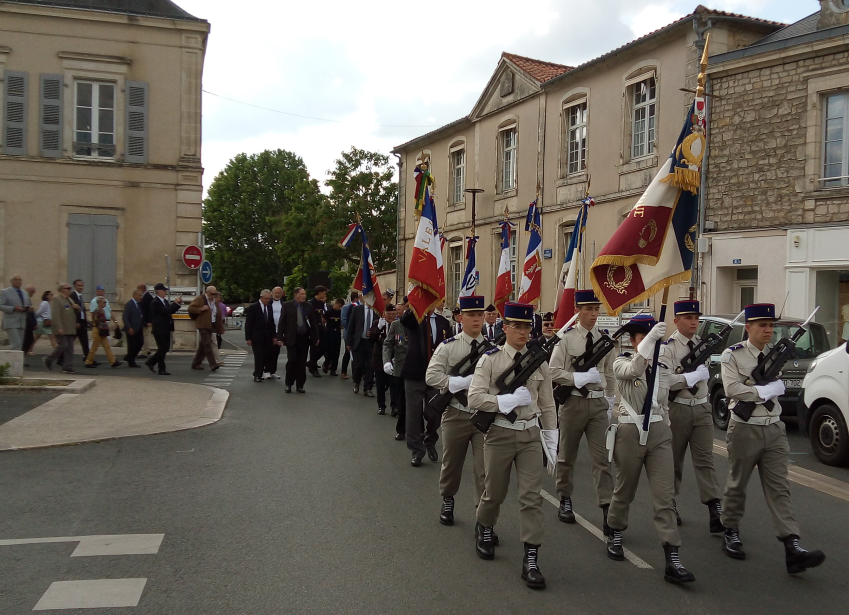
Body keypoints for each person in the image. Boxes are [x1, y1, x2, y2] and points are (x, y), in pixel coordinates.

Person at [719, 303, 825, 574]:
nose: (768, 330)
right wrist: (762, 392)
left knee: (779, 488)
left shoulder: (776, 353)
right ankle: (730, 529)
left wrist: (773, 390)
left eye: (771, 326)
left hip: (774, 428)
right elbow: (731, 389)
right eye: (763, 326)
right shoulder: (733, 355)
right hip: (745, 427)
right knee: (737, 484)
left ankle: (792, 546)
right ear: (749, 328)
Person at [468, 302, 557, 590]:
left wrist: (553, 437)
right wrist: (504, 402)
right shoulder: (490, 359)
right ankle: (485, 526)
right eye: (516, 326)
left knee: (532, 497)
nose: (522, 331)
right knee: (493, 492)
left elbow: (547, 403)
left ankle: (531, 557)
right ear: (504, 328)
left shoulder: (539, 361)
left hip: (530, 435)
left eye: (526, 326)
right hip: (500, 434)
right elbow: (474, 398)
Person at [606, 314, 694, 584]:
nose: (650, 342)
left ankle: (672, 557)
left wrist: (665, 423)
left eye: (652, 337)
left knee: (664, 497)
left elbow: (664, 400)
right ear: (633, 341)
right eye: (643, 337)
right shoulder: (621, 361)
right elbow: (631, 371)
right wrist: (647, 346)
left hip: (658, 432)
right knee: (625, 490)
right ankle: (616, 529)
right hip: (630, 431)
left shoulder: (663, 367)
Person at [548, 290, 615, 533]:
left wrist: (610, 400)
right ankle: (565, 497)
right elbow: (553, 371)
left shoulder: (604, 340)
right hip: (574, 402)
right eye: (589, 309)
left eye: (597, 309)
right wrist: (578, 377)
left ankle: (607, 507)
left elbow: (610, 372)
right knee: (566, 455)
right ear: (578, 310)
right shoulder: (566, 339)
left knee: (602, 460)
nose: (594, 314)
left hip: (598, 404)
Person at [426, 295, 488, 528]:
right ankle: (448, 499)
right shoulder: (448, 346)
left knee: (485, 469)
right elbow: (431, 375)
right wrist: (457, 383)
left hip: (484, 415)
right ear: (461, 318)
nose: (476, 319)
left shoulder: (492, 349)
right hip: (455, 413)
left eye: (479, 315)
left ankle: (483, 516)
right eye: (471, 315)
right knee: (452, 463)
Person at [659, 300, 722, 531]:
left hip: (702, 408)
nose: (693, 321)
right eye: (688, 317)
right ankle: (670, 503)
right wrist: (689, 378)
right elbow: (664, 381)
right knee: (673, 460)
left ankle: (715, 508)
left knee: (706, 460)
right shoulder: (668, 348)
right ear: (676, 321)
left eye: (696, 317)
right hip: (679, 409)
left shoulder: (702, 345)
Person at [399, 303, 451, 466]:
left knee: (434, 412)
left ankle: (430, 440)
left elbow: (448, 346)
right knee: (413, 414)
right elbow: (405, 321)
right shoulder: (414, 318)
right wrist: (415, 305)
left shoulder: (443, 321)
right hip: (415, 373)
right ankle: (417, 450)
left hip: (436, 375)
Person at [277, 287, 320, 393]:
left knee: (302, 362)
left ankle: (300, 385)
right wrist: (280, 338)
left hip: (304, 338)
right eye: (302, 294)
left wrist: (316, 337)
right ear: (296, 294)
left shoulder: (308, 306)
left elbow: (313, 322)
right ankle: (289, 383)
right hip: (292, 338)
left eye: (304, 294)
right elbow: (282, 322)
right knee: (292, 361)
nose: (304, 296)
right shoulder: (287, 305)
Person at [384, 297, 409, 440]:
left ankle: (419, 429)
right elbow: (387, 344)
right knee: (402, 400)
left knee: (418, 401)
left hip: (418, 368)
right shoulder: (396, 325)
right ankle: (401, 429)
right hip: (400, 367)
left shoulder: (420, 324)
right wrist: (387, 361)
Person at [145, 283, 182, 375]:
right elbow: (165, 311)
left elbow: (170, 311)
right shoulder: (155, 302)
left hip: (166, 327)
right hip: (159, 328)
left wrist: (177, 304)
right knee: (162, 348)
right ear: (159, 291)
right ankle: (161, 368)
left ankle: (151, 362)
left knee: (164, 348)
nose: (165, 292)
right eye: (164, 290)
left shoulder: (164, 301)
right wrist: (175, 303)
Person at [44, 283, 79, 373]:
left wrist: (77, 308)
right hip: (62, 327)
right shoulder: (56, 299)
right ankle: (49, 359)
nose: (69, 290)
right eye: (68, 288)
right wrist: (59, 327)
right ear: (62, 289)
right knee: (63, 345)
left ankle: (67, 366)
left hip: (70, 327)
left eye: (70, 288)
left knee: (70, 348)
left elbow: (74, 311)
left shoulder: (69, 299)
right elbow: (55, 315)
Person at [347, 300, 378, 397]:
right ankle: (356, 382)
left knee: (370, 366)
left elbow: (379, 326)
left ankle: (367, 388)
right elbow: (351, 326)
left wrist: (373, 332)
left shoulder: (377, 311)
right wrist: (348, 342)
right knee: (358, 365)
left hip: (371, 342)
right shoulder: (357, 309)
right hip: (359, 342)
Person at [245, 290, 277, 382]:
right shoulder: (253, 307)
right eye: (266, 299)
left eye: (269, 299)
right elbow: (249, 323)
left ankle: (265, 371)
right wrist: (248, 338)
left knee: (267, 355)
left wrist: (274, 336)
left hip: (268, 336)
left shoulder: (269, 307)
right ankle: (257, 374)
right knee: (259, 356)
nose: (268, 300)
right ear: (261, 297)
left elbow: (271, 323)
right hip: (257, 336)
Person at [188, 286, 222, 372]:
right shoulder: (200, 299)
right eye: (212, 294)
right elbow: (191, 308)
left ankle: (196, 363)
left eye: (215, 294)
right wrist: (201, 309)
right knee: (207, 343)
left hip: (211, 325)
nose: (214, 295)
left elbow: (217, 314)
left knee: (203, 345)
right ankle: (213, 364)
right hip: (202, 324)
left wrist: (219, 327)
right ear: (207, 292)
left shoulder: (214, 301)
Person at [85, 296, 123, 368]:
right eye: (104, 302)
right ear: (99, 303)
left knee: (107, 346)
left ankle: (113, 361)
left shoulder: (101, 310)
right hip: (98, 331)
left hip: (102, 331)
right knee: (94, 348)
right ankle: (88, 362)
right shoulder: (97, 311)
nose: (105, 303)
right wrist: (105, 326)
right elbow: (97, 322)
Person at [372, 304, 395, 414]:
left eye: (393, 314)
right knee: (380, 385)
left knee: (394, 385)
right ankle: (381, 406)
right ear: (384, 314)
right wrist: (378, 328)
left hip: (394, 359)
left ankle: (394, 406)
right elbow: (371, 338)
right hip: (379, 359)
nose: (391, 316)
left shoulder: (398, 325)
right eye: (389, 314)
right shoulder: (378, 324)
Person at [0, 274, 33, 350]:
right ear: (11, 281)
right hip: (11, 321)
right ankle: (10, 361)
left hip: (22, 321)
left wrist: (29, 308)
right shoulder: (5, 292)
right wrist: (13, 308)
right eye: (16, 279)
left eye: (20, 280)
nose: (18, 281)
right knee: (16, 343)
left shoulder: (24, 293)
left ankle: (14, 361)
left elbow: (27, 304)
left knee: (20, 344)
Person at [264, 287, 286, 379]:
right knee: (268, 351)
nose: (277, 295)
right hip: (269, 331)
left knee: (276, 352)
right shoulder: (268, 303)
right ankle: (266, 370)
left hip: (279, 331)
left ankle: (273, 371)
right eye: (275, 293)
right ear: (272, 293)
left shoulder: (284, 304)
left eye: (279, 293)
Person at [307, 286, 328, 378]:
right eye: (324, 293)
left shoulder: (321, 303)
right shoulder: (311, 303)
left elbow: (321, 315)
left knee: (324, 347)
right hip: (313, 328)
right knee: (314, 348)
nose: (325, 295)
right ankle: (313, 368)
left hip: (321, 327)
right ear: (319, 293)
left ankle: (311, 362)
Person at [122, 289, 145, 368]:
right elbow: (125, 317)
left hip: (139, 327)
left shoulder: (138, 304)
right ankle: (131, 362)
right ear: (134, 295)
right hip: (131, 328)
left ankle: (129, 356)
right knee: (131, 345)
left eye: (141, 295)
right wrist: (129, 327)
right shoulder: (129, 304)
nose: (141, 297)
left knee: (140, 343)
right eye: (139, 295)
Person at [339, 291, 359, 379]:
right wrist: (352, 330)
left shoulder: (362, 307)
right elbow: (343, 321)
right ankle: (343, 371)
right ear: (356, 298)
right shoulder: (346, 307)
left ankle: (359, 372)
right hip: (349, 334)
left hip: (358, 334)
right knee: (348, 353)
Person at [70, 279, 91, 359]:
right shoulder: (72, 296)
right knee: (69, 342)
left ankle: (88, 359)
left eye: (82, 285)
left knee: (85, 342)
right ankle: (60, 358)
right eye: (79, 285)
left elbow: (82, 310)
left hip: (82, 323)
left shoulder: (80, 296)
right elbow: (73, 311)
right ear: (75, 286)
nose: (81, 287)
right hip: (77, 323)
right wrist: (76, 322)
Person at [323, 298, 344, 376]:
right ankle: (326, 363)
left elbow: (342, 323)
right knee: (329, 351)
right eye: (339, 306)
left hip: (337, 333)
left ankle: (333, 369)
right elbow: (324, 321)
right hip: (330, 332)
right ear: (336, 304)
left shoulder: (341, 313)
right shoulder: (329, 312)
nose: (340, 307)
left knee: (336, 352)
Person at [138, 283, 153, 358]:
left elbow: (149, 310)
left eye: (138, 288)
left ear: (142, 289)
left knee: (145, 335)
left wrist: (149, 321)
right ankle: (147, 349)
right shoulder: (143, 297)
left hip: (146, 320)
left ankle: (145, 351)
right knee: (144, 335)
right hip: (143, 320)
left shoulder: (148, 297)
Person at [22, 285, 37, 357]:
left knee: (29, 340)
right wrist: (33, 324)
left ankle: (22, 357)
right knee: (28, 340)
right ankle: (21, 357)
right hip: (26, 324)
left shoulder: (27, 299)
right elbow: (27, 313)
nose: (33, 293)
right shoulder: (25, 299)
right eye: (32, 291)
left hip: (28, 323)